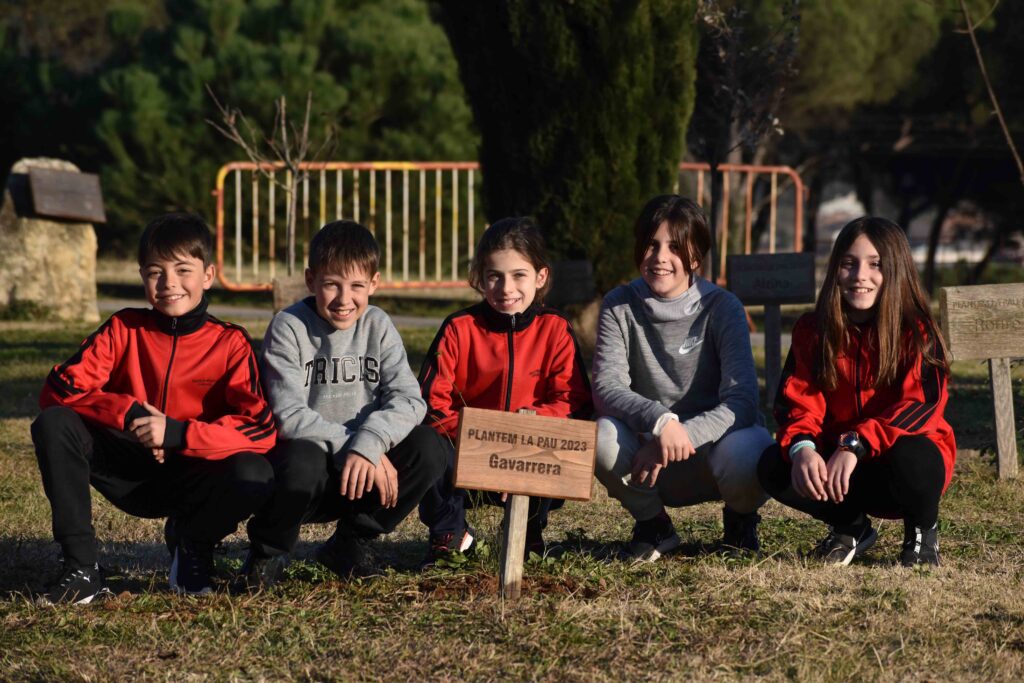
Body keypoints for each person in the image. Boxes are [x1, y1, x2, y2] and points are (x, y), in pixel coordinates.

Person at [32, 213, 277, 604]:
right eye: (155, 272)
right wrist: (132, 416)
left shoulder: (230, 343)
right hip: (128, 469)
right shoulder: (123, 328)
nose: (169, 283)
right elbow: (59, 389)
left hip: (195, 474)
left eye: (183, 270)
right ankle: (81, 568)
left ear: (208, 275)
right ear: (142, 277)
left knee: (255, 470)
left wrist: (178, 433)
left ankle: (193, 544)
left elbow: (259, 429)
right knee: (54, 423)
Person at [240, 220, 446, 589]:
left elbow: (409, 399)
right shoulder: (289, 326)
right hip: (311, 473)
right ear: (311, 280)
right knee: (300, 456)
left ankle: (352, 542)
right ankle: (268, 551)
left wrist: (372, 442)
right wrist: (356, 446)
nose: (343, 298)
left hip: (366, 471)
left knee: (429, 446)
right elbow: (288, 415)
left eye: (356, 286)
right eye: (332, 284)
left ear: (374, 283)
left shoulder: (378, 324)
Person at [758, 216, 955, 567]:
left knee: (915, 455)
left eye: (875, 264)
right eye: (849, 263)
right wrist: (803, 448)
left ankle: (922, 533)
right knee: (774, 464)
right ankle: (851, 527)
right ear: (835, 269)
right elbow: (796, 404)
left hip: (900, 469)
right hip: (841, 472)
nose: (859, 275)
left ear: (896, 270)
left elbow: (921, 407)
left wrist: (856, 443)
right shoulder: (812, 331)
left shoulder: (919, 333)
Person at [593, 195, 773, 561]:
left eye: (675, 247)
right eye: (651, 244)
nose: (660, 256)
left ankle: (740, 520)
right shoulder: (618, 304)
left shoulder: (723, 307)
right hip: (647, 458)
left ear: (695, 257)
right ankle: (654, 525)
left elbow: (742, 401)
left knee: (751, 448)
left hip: (712, 451)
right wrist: (660, 422)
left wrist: (681, 434)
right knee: (601, 437)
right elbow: (607, 386)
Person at [417, 217, 592, 566]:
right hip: (464, 452)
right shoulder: (459, 328)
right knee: (424, 443)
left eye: (518, 275)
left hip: (528, 454)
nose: (506, 288)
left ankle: (529, 528)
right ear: (480, 278)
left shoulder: (555, 330)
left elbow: (572, 402)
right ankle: (449, 534)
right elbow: (431, 404)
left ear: (540, 277)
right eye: (494, 276)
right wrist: (485, 444)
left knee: (558, 439)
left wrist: (517, 441)